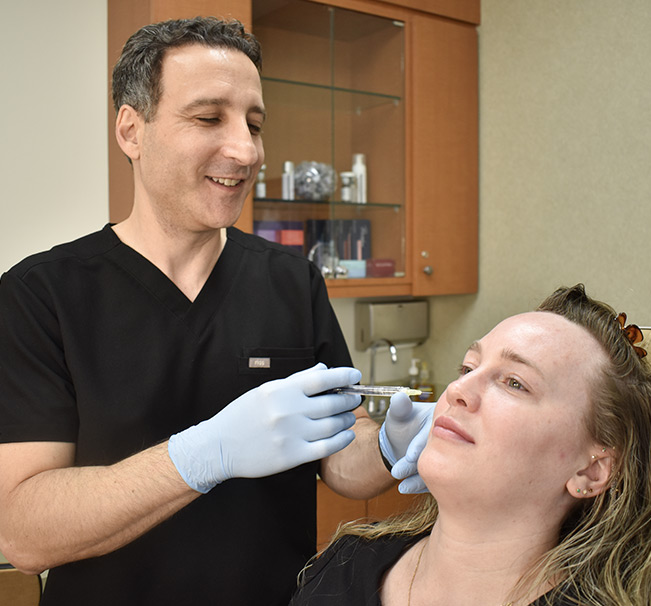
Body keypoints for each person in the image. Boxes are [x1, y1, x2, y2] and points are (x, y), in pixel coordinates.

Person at [0, 17, 433, 606]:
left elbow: (340, 459)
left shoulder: (291, 281)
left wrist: (385, 447)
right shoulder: (42, 294)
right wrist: (204, 455)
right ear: (131, 130)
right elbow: (23, 532)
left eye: (254, 124)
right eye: (209, 118)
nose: (245, 150)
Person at [289, 284, 651, 606]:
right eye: (467, 368)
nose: (457, 390)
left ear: (591, 470)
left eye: (514, 383)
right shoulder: (342, 569)